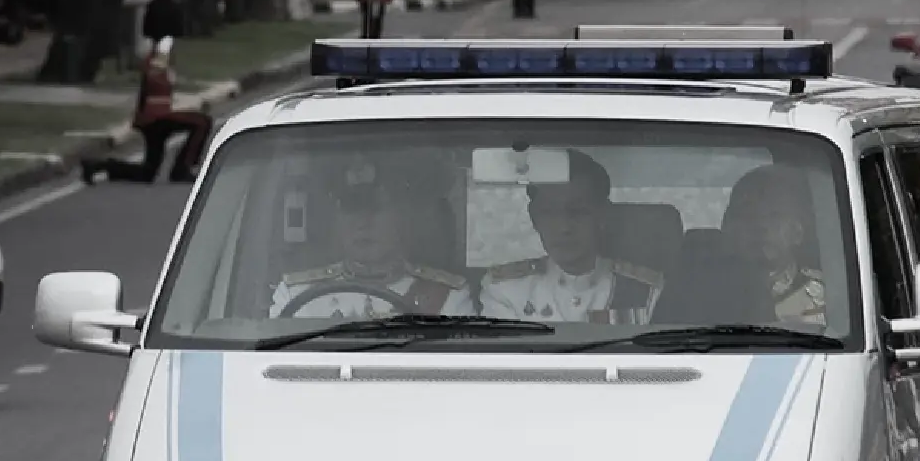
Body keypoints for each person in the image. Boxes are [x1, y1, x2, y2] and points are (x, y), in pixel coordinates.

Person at [451, 150, 663, 323]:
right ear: (534, 218)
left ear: (602, 215)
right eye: (550, 213)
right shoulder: (507, 290)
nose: (564, 227)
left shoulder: (645, 290)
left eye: (578, 212)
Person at [270, 163, 468, 319]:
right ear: (337, 221)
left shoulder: (447, 297)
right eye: (351, 209)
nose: (362, 223)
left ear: (403, 218)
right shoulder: (295, 293)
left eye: (376, 209)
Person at [81, 36, 212, 186]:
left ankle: (97, 166)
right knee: (202, 122)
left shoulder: (161, 64)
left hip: (153, 119)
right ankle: (183, 168)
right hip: (157, 117)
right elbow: (154, 77)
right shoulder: (157, 61)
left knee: (148, 173)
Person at [721, 164, 825, 325]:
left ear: (797, 231)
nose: (760, 225)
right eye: (749, 215)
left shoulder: (830, 298)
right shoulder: (698, 293)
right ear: (728, 226)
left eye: (774, 215)